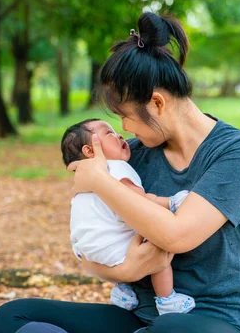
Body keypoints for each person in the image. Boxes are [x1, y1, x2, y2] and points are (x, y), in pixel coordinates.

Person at [0, 12, 240, 333]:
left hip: (217, 320)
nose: (123, 129)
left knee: (168, 331)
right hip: (141, 316)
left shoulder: (237, 152)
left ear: (157, 103)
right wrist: (122, 271)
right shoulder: (130, 155)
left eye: (126, 117)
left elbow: (178, 235)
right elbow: (88, 243)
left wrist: (98, 180)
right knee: (13, 317)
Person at [61, 118, 195, 315]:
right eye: (109, 133)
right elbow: (140, 202)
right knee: (158, 240)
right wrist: (170, 203)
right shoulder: (115, 168)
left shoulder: (83, 179)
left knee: (122, 234)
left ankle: (123, 289)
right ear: (90, 151)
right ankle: (167, 300)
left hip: (87, 247)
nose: (120, 134)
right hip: (113, 246)